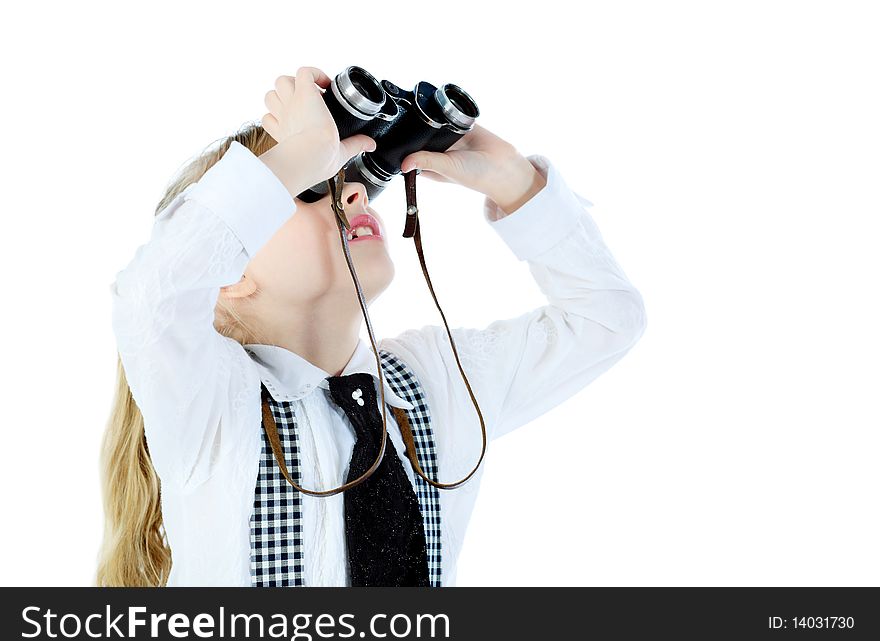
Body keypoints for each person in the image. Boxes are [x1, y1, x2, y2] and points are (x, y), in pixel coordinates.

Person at [96, 66, 648, 587]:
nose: (355, 192)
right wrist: (294, 156)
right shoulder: (211, 404)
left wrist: (517, 183)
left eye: (353, 181)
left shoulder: (435, 382)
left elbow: (607, 318)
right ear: (228, 271)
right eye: (312, 189)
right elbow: (153, 296)